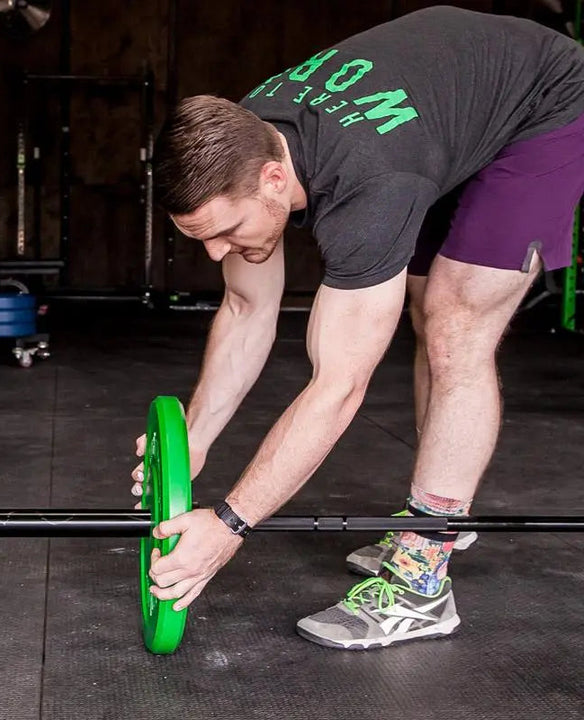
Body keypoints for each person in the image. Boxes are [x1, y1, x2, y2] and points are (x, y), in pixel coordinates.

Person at [130, 5, 584, 649]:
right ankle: (433, 521)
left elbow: (338, 387)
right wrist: (193, 441)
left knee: (456, 326)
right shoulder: (244, 137)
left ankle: (423, 577)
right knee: (427, 303)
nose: (215, 252)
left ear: (274, 178)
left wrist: (229, 526)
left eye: (227, 231)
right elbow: (246, 309)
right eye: (200, 238)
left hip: (543, 100)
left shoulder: (369, 193)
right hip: (442, 114)